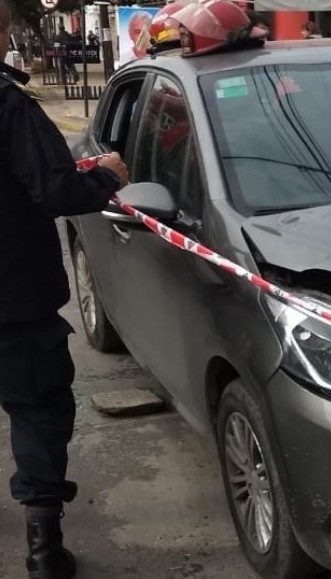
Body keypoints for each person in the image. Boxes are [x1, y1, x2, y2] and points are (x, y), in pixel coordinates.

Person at [0, 2, 129, 577]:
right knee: (36, 413)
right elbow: (54, 192)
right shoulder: (8, 106)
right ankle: (43, 549)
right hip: (15, 301)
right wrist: (109, 178)